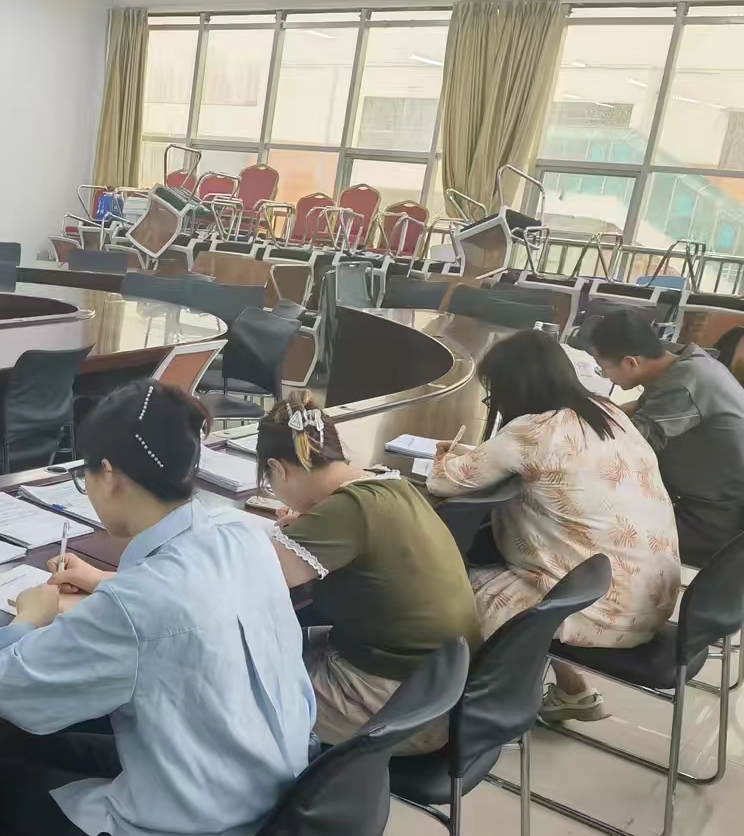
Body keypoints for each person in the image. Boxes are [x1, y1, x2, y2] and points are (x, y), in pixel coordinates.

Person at [0, 381, 314, 836]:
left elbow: (1, 685)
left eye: (85, 477)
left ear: (111, 476)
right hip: (274, 814)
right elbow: (176, 604)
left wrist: (30, 617)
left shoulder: (141, 604)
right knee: (35, 755)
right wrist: (104, 589)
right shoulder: (240, 536)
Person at [430, 330, 681, 723]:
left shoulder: (534, 430)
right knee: (535, 571)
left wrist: (444, 456)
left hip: (597, 612)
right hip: (646, 600)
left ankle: (463, 715)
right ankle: (573, 690)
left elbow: (444, 482)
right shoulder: (606, 413)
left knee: (442, 592)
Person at [261, 394, 480, 752]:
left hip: (397, 708)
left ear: (278, 468)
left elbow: (252, 579)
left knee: (237, 691)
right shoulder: (390, 485)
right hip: (442, 689)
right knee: (280, 644)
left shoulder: (345, 512)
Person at [588, 307, 744, 567]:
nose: (606, 377)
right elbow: (639, 408)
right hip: (703, 498)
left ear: (630, 362)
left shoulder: (683, 386)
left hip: (711, 519)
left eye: (603, 369)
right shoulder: (687, 363)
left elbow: (627, 445)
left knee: (596, 527)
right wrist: (589, 410)